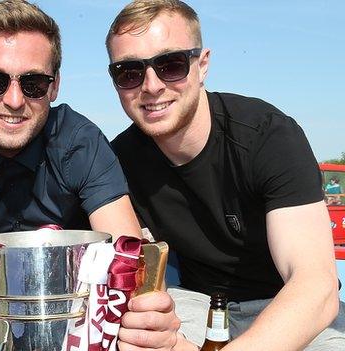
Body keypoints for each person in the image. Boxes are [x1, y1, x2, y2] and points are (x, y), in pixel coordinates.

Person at [107, 1, 344, 350]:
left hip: (282, 304)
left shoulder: (267, 136)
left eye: (170, 65)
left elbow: (315, 284)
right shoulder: (119, 160)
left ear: (202, 65)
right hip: (194, 302)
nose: (151, 86)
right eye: (129, 72)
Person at [0, 0, 141, 240]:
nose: (14, 100)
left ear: (54, 87)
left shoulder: (78, 142)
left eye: (33, 84)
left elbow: (126, 253)